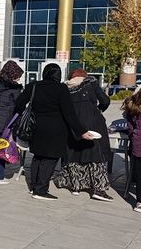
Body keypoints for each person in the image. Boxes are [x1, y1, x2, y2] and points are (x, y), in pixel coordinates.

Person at [15, 63, 93, 201]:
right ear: (58, 75)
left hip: (36, 127)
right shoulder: (61, 88)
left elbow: (19, 104)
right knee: (50, 158)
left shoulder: (33, 86)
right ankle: (40, 190)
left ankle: (34, 187)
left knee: (38, 156)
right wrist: (81, 131)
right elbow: (69, 113)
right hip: (56, 129)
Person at [54, 69, 113, 201]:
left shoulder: (65, 87)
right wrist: (98, 109)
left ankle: (76, 186)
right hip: (93, 123)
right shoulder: (91, 83)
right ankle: (99, 189)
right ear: (84, 76)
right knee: (97, 154)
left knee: (74, 153)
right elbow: (105, 100)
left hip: (73, 124)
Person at [123, 92, 141, 213]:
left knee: (139, 174)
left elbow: (130, 127)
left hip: (138, 143)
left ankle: (139, 201)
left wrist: (133, 135)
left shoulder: (133, 105)